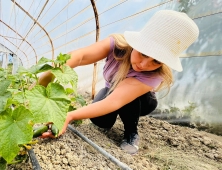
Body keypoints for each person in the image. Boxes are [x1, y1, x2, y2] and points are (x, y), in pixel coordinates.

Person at [39, 10, 199, 154]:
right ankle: (115, 119)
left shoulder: (154, 75)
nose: (144, 65)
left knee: (127, 100)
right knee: (100, 120)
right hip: (112, 91)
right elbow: (80, 56)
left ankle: (131, 133)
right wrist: (48, 75)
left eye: (156, 60)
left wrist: (68, 116)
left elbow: (115, 101)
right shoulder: (117, 45)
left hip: (143, 101)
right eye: (143, 53)